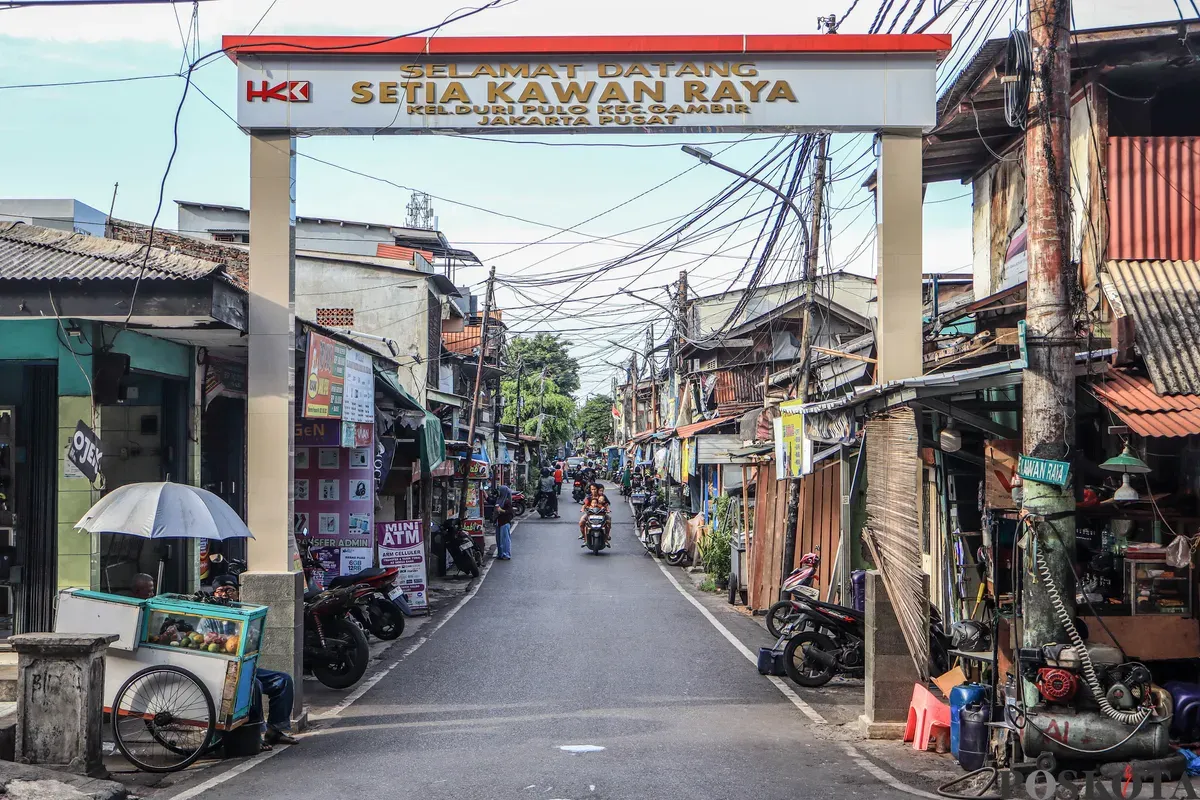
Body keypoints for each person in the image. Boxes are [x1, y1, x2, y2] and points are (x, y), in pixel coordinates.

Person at [201, 575, 298, 748]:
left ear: (237, 594)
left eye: (230, 590)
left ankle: (275, 730)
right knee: (255, 687)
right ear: (214, 594)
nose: (225, 594)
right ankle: (256, 736)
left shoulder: (243, 615)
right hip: (221, 670)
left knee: (283, 681)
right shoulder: (208, 616)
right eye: (221, 590)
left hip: (244, 668)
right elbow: (205, 639)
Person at [579, 482, 612, 547]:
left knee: (608, 521)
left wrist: (607, 509)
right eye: (592, 489)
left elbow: (607, 504)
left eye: (595, 489)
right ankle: (584, 537)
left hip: (601, 515)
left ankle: (606, 537)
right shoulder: (589, 497)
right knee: (581, 522)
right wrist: (583, 509)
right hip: (590, 514)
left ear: (597, 489)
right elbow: (584, 504)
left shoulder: (602, 496)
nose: (593, 491)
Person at [494, 484, 514, 560]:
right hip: (498, 522)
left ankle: (506, 554)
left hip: (505, 522)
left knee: (505, 539)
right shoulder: (499, 499)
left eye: (500, 490)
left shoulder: (507, 501)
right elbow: (491, 501)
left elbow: (510, 512)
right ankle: (500, 554)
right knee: (499, 540)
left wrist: (501, 510)